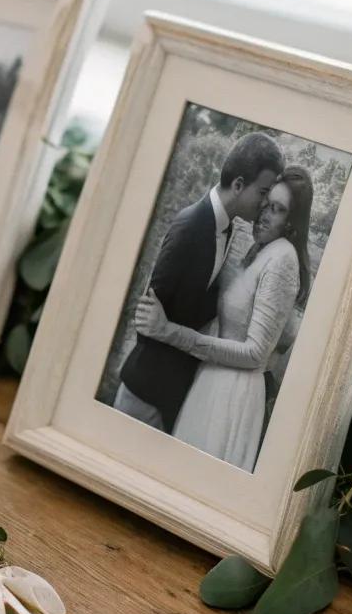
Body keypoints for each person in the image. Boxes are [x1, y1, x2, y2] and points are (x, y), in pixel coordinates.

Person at [133, 165, 313, 471]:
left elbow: (256, 353)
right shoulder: (262, 251)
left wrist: (169, 331)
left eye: (279, 210)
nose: (266, 214)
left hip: (233, 394)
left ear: (291, 224)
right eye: (267, 204)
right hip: (213, 382)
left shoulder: (282, 257)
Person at [113, 131, 285, 432]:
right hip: (146, 393)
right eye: (262, 193)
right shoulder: (190, 228)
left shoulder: (226, 227)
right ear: (238, 185)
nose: (263, 204)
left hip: (173, 391)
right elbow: (149, 317)